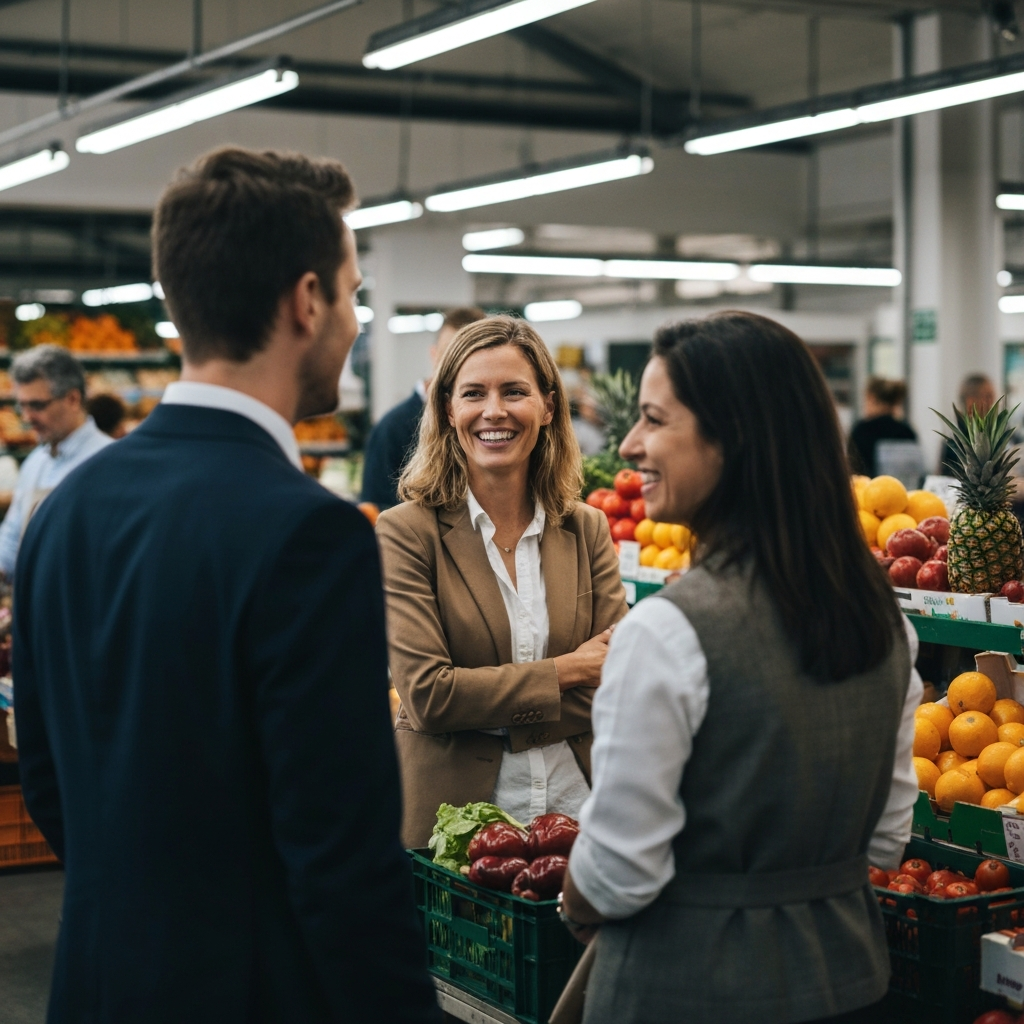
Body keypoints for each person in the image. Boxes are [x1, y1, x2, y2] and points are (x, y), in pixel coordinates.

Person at [13, 148, 440, 1024]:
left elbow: (48, 782)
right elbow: (341, 862)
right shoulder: (309, 534)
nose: (357, 322)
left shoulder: (65, 510)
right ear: (307, 300)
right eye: (355, 293)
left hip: (96, 983)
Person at [560, 311, 920, 1024]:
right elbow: (884, 840)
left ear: (734, 442)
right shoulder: (887, 628)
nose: (630, 444)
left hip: (683, 994)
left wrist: (577, 897)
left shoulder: (666, 634)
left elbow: (616, 875)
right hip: (847, 985)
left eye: (655, 420)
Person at [376, 316, 628, 847]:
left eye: (515, 391)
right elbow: (429, 697)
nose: (495, 411)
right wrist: (565, 671)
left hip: (578, 813)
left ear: (548, 406)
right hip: (456, 826)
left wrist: (486, 701)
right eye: (474, 393)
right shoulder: (406, 533)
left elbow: (619, 682)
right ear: (448, 410)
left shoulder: (586, 529)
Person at [0, 345, 113, 577]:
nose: (27, 417)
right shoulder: (35, 462)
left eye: (37, 405)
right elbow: (11, 541)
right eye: (22, 405)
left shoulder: (109, 462)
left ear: (72, 399)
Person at [360, 305, 485, 509]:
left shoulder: (486, 425)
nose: (461, 365)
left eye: (474, 355)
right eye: (451, 354)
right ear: (433, 354)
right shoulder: (392, 428)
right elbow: (375, 512)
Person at [847, 376, 917, 477]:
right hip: (902, 490)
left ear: (871, 398)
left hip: (869, 490)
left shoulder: (861, 430)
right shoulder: (906, 430)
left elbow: (853, 468)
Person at [939, 373, 996, 475]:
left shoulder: (993, 435)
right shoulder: (955, 442)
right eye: (988, 397)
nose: (994, 402)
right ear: (971, 402)